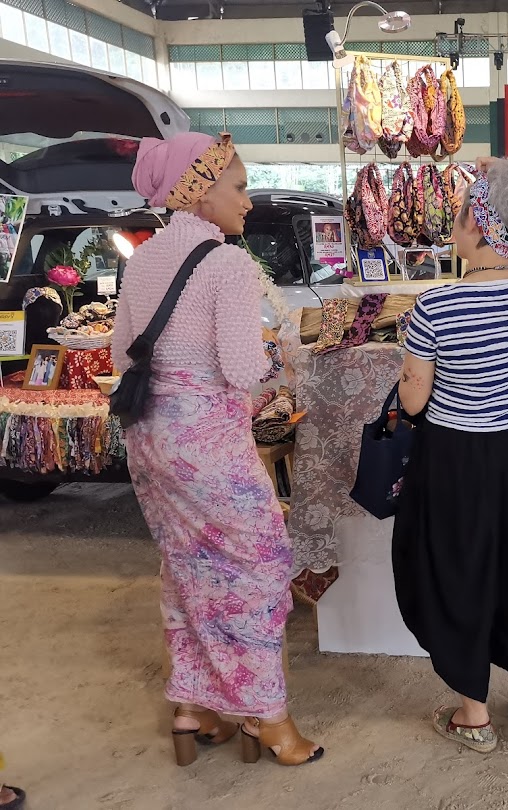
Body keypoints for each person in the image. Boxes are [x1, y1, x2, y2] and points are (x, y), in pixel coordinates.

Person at [113, 132, 322, 767]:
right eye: (238, 187)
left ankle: (196, 707)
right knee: (258, 567)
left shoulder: (144, 260)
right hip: (205, 440)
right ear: (199, 193)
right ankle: (269, 718)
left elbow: (126, 354)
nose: (248, 201)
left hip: (148, 435)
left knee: (186, 564)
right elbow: (239, 367)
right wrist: (281, 360)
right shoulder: (226, 264)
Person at [392, 156, 508, 754]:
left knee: (460, 569)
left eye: (463, 209)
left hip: (455, 460)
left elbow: (415, 401)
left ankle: (475, 715)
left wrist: (407, 383)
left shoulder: (434, 308)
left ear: (477, 222)